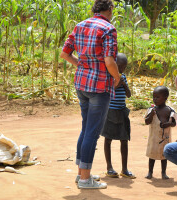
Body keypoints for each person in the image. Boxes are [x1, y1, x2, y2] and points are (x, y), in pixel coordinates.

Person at [60, 0, 121, 189]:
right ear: (109, 9)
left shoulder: (80, 25)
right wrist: (117, 77)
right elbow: (109, 60)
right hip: (99, 86)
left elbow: (65, 54)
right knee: (92, 133)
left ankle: (82, 174)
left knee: (86, 129)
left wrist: (84, 66)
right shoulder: (108, 29)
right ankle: (86, 179)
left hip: (81, 84)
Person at [101, 53, 136, 179]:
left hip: (121, 111)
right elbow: (107, 91)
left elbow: (129, 95)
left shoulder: (123, 76)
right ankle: (109, 167)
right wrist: (116, 83)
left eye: (124, 67)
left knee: (124, 139)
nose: (122, 69)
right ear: (114, 64)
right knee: (108, 139)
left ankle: (124, 169)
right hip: (110, 112)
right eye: (120, 66)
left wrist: (124, 83)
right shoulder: (109, 75)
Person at [144, 86, 177, 179]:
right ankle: (150, 172)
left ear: (165, 98)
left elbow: (174, 123)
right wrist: (151, 115)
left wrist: (169, 124)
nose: (155, 99)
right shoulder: (151, 110)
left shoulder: (169, 110)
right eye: (153, 97)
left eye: (157, 97)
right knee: (152, 156)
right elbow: (146, 122)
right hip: (154, 138)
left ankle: (163, 173)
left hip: (165, 138)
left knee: (164, 156)